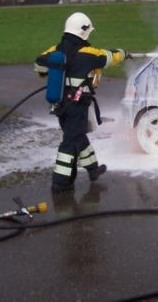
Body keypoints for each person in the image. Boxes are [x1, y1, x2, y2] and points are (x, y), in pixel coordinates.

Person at [34, 12, 131, 193]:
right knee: (70, 141)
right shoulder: (88, 53)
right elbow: (109, 57)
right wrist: (124, 54)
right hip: (77, 105)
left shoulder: (55, 51)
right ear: (84, 31)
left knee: (78, 136)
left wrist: (57, 68)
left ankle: (93, 169)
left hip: (59, 104)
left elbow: (39, 66)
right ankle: (60, 182)